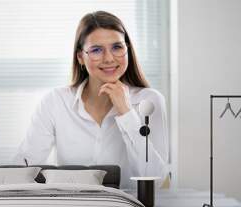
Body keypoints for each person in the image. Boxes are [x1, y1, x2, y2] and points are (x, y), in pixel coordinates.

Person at [13, 11, 169, 189]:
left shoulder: (149, 102)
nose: (109, 58)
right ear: (80, 57)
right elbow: (23, 168)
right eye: (96, 50)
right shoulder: (55, 101)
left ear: (128, 50)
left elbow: (155, 180)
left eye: (117, 47)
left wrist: (127, 113)